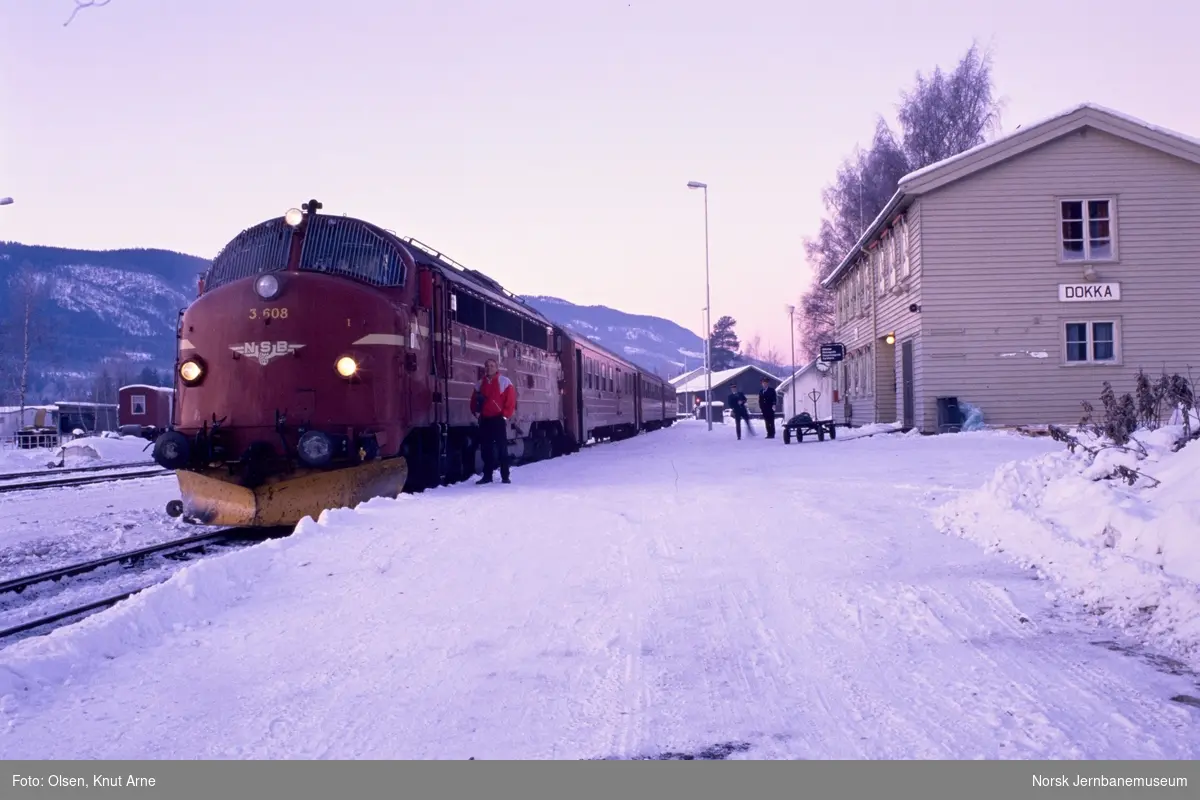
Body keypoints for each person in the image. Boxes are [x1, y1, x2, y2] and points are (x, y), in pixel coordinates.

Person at [470, 357, 517, 484]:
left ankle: (505, 476)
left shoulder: (504, 382)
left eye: (492, 365)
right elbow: (473, 401)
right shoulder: (480, 384)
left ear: (497, 368)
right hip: (485, 420)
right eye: (487, 365)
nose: (489, 368)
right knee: (486, 449)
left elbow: (511, 401)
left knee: (502, 448)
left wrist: (504, 416)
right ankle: (487, 476)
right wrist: (477, 415)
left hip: (498, 419)